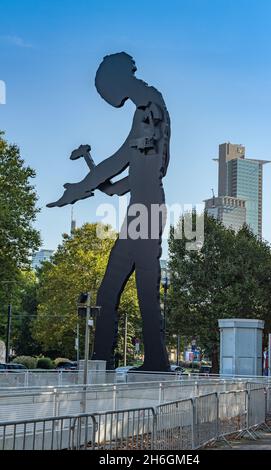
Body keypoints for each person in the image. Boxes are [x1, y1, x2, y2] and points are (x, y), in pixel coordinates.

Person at [48, 52, 170, 371]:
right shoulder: (149, 112)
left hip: (147, 212)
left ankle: (155, 361)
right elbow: (117, 185)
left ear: (116, 80)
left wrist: (79, 186)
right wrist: (91, 173)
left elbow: (119, 160)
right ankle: (102, 359)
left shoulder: (149, 108)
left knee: (144, 289)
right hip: (140, 213)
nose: (106, 97)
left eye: (104, 89)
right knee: (109, 289)